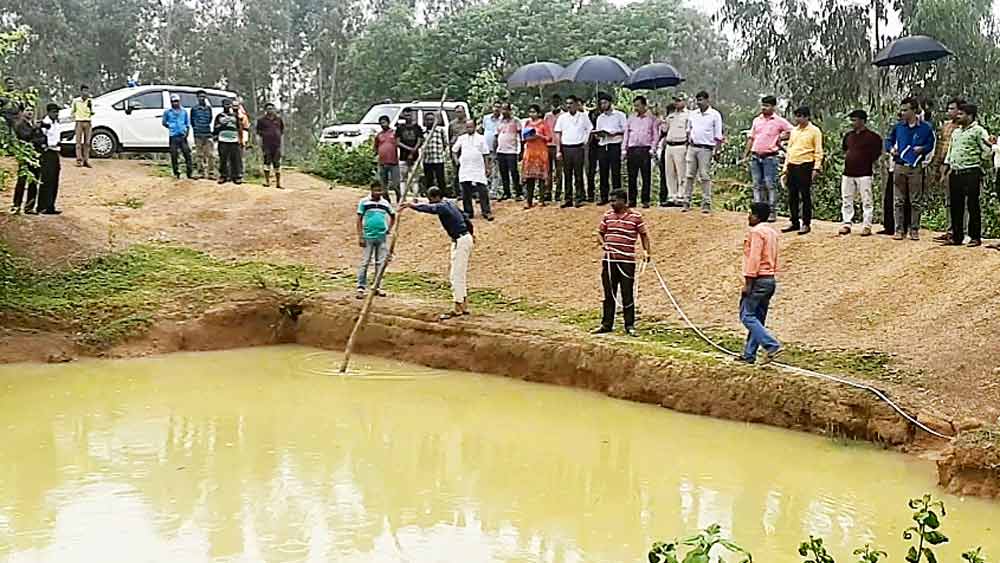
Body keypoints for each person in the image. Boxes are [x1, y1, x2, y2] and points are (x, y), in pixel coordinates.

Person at [400, 187, 475, 320]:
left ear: (433, 198)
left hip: (460, 240)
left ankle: (458, 306)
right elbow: (465, 217)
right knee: (459, 273)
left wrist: (412, 205)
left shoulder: (441, 207)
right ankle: (463, 304)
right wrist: (472, 233)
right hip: (464, 238)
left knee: (455, 275)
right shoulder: (450, 203)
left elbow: (430, 208)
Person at [594, 189, 651, 338]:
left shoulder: (636, 217)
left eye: (615, 201)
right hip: (609, 261)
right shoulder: (607, 216)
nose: (612, 204)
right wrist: (603, 244)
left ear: (623, 201)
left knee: (627, 293)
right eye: (611, 201)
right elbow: (599, 233)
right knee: (609, 294)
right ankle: (606, 324)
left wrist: (646, 252)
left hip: (626, 261)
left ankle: (629, 325)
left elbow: (644, 235)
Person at [939, 103, 991, 248]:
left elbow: (987, 150)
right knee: (956, 205)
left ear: (970, 116)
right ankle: (957, 237)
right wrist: (947, 167)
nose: (958, 116)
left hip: (971, 172)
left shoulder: (979, 131)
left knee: (973, 204)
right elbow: (951, 151)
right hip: (956, 172)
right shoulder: (956, 132)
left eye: (961, 114)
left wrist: (980, 158)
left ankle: (975, 237)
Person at [738, 201, 783, 365]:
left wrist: (748, 282)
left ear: (756, 216)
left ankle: (771, 345)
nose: (748, 216)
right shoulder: (772, 232)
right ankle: (749, 354)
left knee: (746, 315)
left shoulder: (756, 233)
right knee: (758, 317)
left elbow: (754, 258)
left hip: (758, 280)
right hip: (769, 279)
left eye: (751, 213)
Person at [885, 97, 936, 241]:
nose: (903, 113)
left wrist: (923, 149)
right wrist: (891, 150)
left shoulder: (925, 128)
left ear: (914, 110)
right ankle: (899, 230)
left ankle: (914, 229)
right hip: (899, 166)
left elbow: (931, 144)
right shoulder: (898, 127)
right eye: (901, 110)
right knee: (898, 200)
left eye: (906, 110)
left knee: (915, 200)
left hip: (915, 167)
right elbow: (888, 141)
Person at [745, 95, 792, 219]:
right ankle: (757, 212)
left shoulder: (779, 121)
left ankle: (771, 212)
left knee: (770, 184)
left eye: (767, 105)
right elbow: (751, 137)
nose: (764, 108)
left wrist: (780, 138)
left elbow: (792, 131)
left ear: (773, 107)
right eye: (763, 105)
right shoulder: (757, 120)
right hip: (755, 156)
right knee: (756, 184)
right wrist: (746, 154)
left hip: (770, 157)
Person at [839, 109, 883, 236]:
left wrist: (866, 160)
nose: (852, 122)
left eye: (855, 120)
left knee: (867, 199)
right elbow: (845, 150)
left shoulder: (873, 137)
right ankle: (846, 223)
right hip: (848, 172)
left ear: (862, 121)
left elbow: (877, 153)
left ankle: (867, 225)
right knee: (847, 198)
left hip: (864, 172)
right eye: (851, 120)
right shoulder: (848, 136)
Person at [781, 106, 824, 235]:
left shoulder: (815, 131)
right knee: (792, 195)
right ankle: (794, 222)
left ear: (807, 117)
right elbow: (790, 149)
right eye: (797, 116)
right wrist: (785, 167)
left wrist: (816, 168)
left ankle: (806, 223)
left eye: (800, 116)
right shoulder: (794, 131)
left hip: (805, 165)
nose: (798, 119)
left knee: (805, 195)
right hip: (792, 165)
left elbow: (818, 151)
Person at [684, 91, 724, 212]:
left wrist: (717, 150)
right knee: (689, 175)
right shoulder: (693, 114)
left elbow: (718, 135)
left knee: (704, 175)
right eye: (698, 100)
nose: (699, 102)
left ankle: (706, 202)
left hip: (706, 148)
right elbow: (688, 130)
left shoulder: (714, 115)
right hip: (693, 146)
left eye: (701, 100)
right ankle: (686, 201)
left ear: (707, 100)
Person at [932, 98, 965, 242]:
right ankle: (950, 230)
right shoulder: (945, 127)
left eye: (952, 109)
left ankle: (964, 231)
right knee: (949, 199)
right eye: (948, 109)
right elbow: (940, 147)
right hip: (946, 165)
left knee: (962, 200)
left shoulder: (964, 127)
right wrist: (937, 167)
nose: (949, 112)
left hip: (960, 166)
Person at [356, 185, 396, 298]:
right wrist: (360, 236)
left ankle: (377, 287)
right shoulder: (364, 202)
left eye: (380, 190)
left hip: (381, 237)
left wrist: (389, 229)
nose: (378, 192)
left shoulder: (385, 203)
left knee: (380, 263)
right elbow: (358, 219)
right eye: (376, 190)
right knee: (365, 262)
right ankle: (361, 287)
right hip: (368, 236)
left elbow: (393, 215)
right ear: (371, 190)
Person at [554, 95, 593, 208]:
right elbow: (558, 133)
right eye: (567, 103)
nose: (569, 105)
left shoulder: (583, 117)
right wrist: (558, 150)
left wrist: (586, 142)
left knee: (578, 174)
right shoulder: (562, 118)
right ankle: (568, 198)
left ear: (576, 104)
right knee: (567, 174)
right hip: (566, 147)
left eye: (571, 103)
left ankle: (579, 198)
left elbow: (590, 129)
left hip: (578, 147)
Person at [452, 118, 494, 220]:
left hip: (478, 167)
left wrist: (487, 168)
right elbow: (454, 150)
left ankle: (486, 212)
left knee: (482, 189)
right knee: (466, 190)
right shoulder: (462, 138)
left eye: (470, 127)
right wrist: (456, 160)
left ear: (475, 127)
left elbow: (486, 154)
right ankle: (468, 212)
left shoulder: (481, 138)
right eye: (467, 127)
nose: (469, 129)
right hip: (465, 167)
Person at [623, 95, 660, 209]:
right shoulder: (631, 118)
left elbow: (655, 135)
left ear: (644, 105)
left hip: (645, 149)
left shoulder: (651, 119)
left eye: (638, 105)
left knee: (646, 176)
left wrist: (653, 148)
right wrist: (624, 149)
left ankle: (645, 200)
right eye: (635, 106)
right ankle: (632, 200)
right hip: (632, 149)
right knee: (632, 176)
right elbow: (626, 134)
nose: (636, 108)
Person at [10, 107, 45, 215]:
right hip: (25, 155)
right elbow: (24, 137)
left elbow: (42, 138)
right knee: (22, 181)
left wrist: (35, 135)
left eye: (31, 110)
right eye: (27, 110)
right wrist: (34, 130)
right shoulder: (20, 124)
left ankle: (29, 207)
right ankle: (16, 206)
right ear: (22, 112)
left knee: (34, 182)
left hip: (36, 155)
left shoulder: (33, 124)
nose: (30, 112)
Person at [658, 93, 689, 207]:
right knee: (669, 172)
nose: (677, 103)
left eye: (679, 100)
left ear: (685, 101)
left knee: (681, 172)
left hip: (681, 145)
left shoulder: (688, 115)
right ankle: (672, 195)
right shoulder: (671, 116)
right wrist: (661, 120)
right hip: (669, 145)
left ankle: (681, 196)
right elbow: (664, 130)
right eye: (675, 101)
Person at [594, 93, 626, 205]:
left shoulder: (619, 115)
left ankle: (618, 198)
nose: (603, 105)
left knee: (615, 172)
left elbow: (625, 130)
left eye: (605, 103)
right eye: (601, 103)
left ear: (610, 103)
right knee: (603, 172)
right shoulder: (600, 117)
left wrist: (614, 133)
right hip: (603, 145)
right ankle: (604, 197)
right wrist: (599, 135)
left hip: (615, 145)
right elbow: (597, 132)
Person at [520, 104, 550, 208]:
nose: (532, 114)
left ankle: (541, 199)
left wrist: (538, 136)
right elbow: (523, 137)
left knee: (541, 177)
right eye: (530, 112)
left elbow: (549, 138)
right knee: (529, 178)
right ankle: (529, 201)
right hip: (530, 152)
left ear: (539, 113)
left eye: (534, 112)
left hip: (540, 152)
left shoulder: (543, 123)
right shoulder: (527, 123)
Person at [36, 103, 63, 215]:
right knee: (47, 180)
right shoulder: (45, 123)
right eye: (54, 112)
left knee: (54, 180)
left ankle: (50, 205)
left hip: (56, 152)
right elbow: (40, 138)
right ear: (49, 112)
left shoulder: (56, 122)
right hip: (47, 153)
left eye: (57, 112)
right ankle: (42, 206)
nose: (56, 114)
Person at [494, 102, 522, 201]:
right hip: (501, 150)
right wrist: (495, 150)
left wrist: (520, 150)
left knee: (514, 172)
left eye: (506, 109)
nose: (504, 111)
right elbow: (496, 136)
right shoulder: (499, 122)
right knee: (503, 172)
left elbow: (520, 136)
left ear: (510, 110)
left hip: (512, 151)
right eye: (503, 109)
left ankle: (518, 193)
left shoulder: (516, 121)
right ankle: (507, 193)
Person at [162, 94, 193, 180]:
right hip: (173, 136)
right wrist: (171, 126)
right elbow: (164, 122)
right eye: (173, 102)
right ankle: (176, 173)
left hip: (182, 136)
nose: (175, 103)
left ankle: (189, 173)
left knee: (187, 154)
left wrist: (186, 133)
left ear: (179, 101)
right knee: (174, 155)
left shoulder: (184, 112)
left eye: (176, 101)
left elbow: (187, 124)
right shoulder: (168, 112)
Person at [214, 98, 244, 184]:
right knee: (223, 158)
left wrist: (240, 139)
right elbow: (215, 128)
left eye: (228, 104)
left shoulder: (235, 116)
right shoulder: (219, 116)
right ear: (222, 106)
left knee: (235, 159)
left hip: (234, 140)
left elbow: (239, 127)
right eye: (225, 104)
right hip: (223, 140)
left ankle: (236, 176)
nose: (227, 106)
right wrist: (221, 125)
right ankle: (223, 176)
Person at [256, 102, 285, 189]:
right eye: (268, 109)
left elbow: (282, 130)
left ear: (274, 109)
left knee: (277, 164)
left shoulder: (279, 119)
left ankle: (278, 183)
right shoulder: (261, 120)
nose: (270, 110)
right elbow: (258, 132)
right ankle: (267, 181)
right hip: (266, 145)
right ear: (265, 110)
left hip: (276, 145)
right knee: (267, 163)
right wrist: (265, 136)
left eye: (272, 108)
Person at [373, 115, 401, 202]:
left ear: (388, 122)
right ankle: (387, 201)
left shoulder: (394, 133)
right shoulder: (379, 135)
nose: (383, 124)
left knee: (396, 184)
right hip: (382, 163)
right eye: (381, 123)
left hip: (393, 162)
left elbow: (399, 144)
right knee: (383, 185)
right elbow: (375, 147)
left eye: (384, 122)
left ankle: (399, 200)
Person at [422, 112, 449, 196]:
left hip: (439, 159)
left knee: (440, 179)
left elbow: (445, 143)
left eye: (431, 120)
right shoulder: (423, 132)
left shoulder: (440, 131)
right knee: (429, 180)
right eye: (428, 120)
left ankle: (442, 196)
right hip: (427, 160)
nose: (430, 122)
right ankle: (430, 196)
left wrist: (442, 152)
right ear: (425, 121)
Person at [395, 110, 424, 191]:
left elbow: (420, 140)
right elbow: (397, 142)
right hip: (403, 157)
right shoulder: (400, 128)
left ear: (412, 116)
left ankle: (415, 197)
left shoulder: (417, 127)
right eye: (406, 115)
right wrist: (409, 148)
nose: (408, 117)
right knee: (402, 179)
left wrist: (414, 150)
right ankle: (403, 198)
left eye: (409, 115)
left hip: (415, 157)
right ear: (403, 116)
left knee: (415, 179)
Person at [543, 95, 564, 203]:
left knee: (559, 171)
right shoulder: (547, 116)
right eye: (553, 101)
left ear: (560, 102)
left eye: (557, 101)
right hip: (548, 145)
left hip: (559, 145)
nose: (555, 103)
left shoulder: (564, 115)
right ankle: (548, 192)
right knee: (548, 170)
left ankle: (558, 193)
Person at [190, 90, 215, 180]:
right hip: (198, 133)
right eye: (200, 96)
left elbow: (210, 119)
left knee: (211, 154)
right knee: (199, 154)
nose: (202, 98)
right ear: (197, 98)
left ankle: (211, 173)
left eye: (203, 96)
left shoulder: (208, 109)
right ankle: (200, 172)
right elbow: (192, 121)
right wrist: (196, 128)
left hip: (207, 133)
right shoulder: (194, 109)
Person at [482, 102, 503, 197]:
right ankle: (484, 191)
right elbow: (483, 131)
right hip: (485, 149)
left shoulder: (502, 120)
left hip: (497, 149)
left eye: (499, 107)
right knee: (486, 170)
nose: (496, 109)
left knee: (495, 171)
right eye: (495, 107)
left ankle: (493, 191)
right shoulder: (486, 118)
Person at [71, 84, 94, 167]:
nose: (86, 93)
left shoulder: (90, 101)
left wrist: (90, 108)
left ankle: (86, 160)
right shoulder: (76, 101)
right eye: (84, 91)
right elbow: (72, 111)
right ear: (81, 92)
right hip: (79, 122)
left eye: (87, 91)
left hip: (88, 122)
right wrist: (76, 119)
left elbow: (93, 112)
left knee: (87, 142)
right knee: (78, 142)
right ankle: (79, 160)